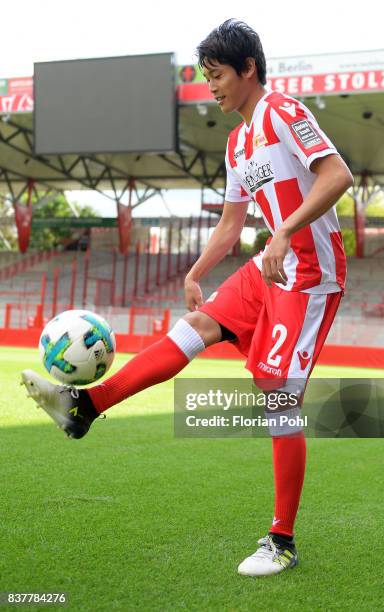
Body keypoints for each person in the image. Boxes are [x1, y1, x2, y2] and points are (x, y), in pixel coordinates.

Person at [21, 19, 353, 577]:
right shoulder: (236, 140)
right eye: (206, 77)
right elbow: (230, 223)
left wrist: (283, 231)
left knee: (276, 396)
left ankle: (281, 540)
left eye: (218, 74)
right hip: (268, 270)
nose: (212, 86)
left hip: (310, 274)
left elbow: (337, 175)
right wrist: (197, 270)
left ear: (248, 68)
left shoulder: (283, 112)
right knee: (194, 325)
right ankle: (85, 407)